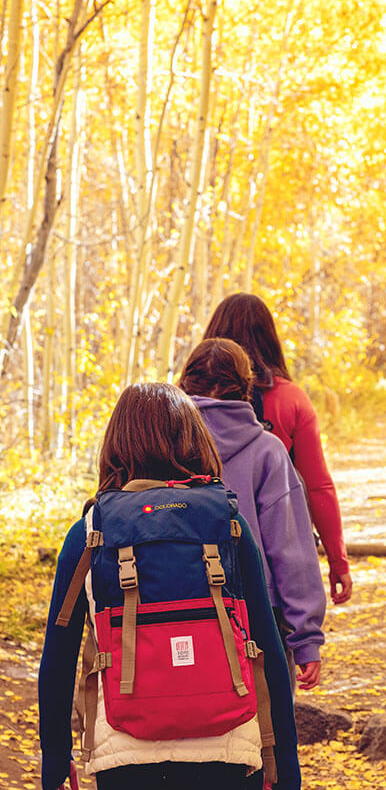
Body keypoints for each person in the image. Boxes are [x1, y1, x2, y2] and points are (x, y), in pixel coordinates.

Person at [39, 383, 301, 790]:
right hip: (228, 747)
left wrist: (56, 756)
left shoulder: (90, 533)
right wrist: (283, 759)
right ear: (195, 441)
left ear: (116, 445)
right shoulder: (228, 525)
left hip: (125, 751)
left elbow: (58, 657)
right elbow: (265, 643)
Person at [179, 338, 326, 690]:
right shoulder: (268, 452)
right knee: (268, 729)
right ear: (246, 387)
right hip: (258, 615)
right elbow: (291, 550)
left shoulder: (162, 446)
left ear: (184, 383)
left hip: (173, 606)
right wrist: (306, 638)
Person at [203, 293, 352, 606]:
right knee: (274, 652)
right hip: (274, 571)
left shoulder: (183, 404)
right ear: (270, 339)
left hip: (199, 562)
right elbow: (318, 486)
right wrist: (337, 562)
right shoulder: (291, 400)